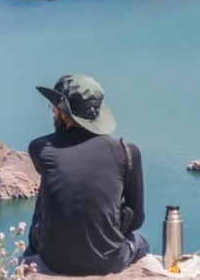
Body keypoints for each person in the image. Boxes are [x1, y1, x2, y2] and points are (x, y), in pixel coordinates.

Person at [21, 74, 148, 275]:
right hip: (109, 261)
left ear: (63, 112)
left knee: (46, 192)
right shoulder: (127, 153)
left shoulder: (40, 148)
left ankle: (29, 261)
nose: (52, 111)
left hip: (53, 259)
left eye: (54, 107)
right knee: (141, 241)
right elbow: (136, 219)